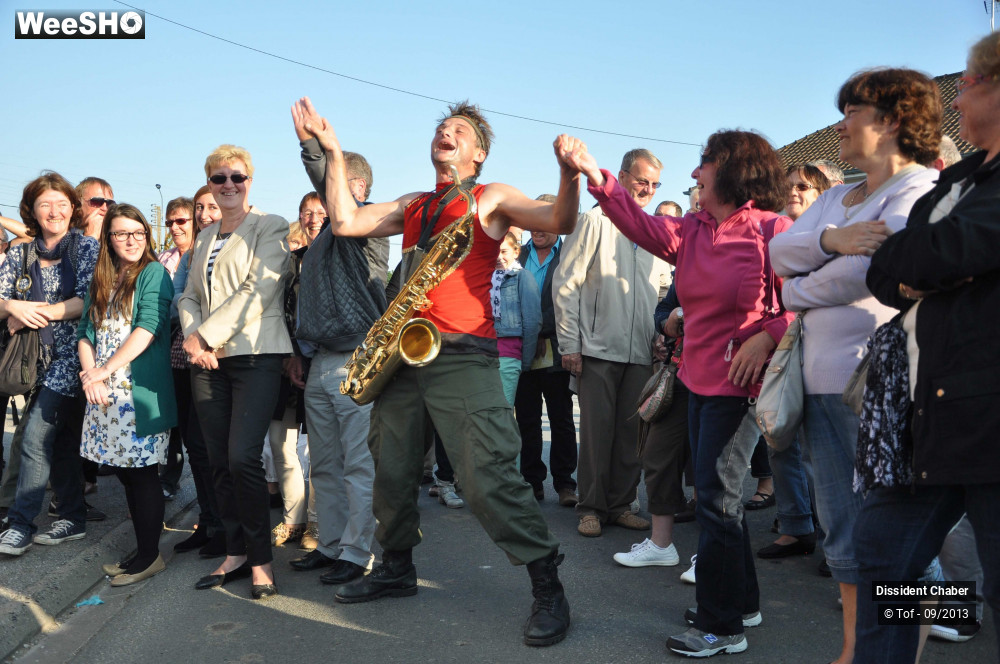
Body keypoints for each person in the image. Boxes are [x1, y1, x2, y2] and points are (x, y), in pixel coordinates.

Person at [292, 95, 581, 647]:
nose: (445, 133)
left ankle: (547, 584)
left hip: (464, 353)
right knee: (393, 469)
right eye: (441, 127)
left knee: (484, 474)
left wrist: (568, 177)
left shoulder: (490, 197)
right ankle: (396, 567)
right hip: (404, 354)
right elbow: (347, 221)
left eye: (459, 130)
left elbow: (559, 219)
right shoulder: (415, 202)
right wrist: (328, 151)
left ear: (477, 156)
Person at [563, 129, 793, 657]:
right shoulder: (691, 229)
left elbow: (804, 302)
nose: (694, 174)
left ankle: (721, 625)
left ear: (734, 171)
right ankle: (742, 605)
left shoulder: (773, 230)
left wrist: (767, 334)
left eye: (704, 164)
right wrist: (595, 174)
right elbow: (637, 222)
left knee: (716, 502)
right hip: (694, 381)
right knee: (718, 501)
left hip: (740, 389)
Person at [769, 68, 942, 664]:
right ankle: (853, 653)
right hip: (819, 384)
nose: (841, 125)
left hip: (878, 386)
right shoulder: (835, 199)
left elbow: (868, 273)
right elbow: (779, 251)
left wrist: (798, 287)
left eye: (853, 112)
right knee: (844, 532)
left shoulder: (918, 189)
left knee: (901, 535)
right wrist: (836, 240)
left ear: (891, 120)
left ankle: (930, 634)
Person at [856, 35, 1000, 662]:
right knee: (886, 558)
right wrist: (935, 263)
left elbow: (945, 250)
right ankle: (953, 617)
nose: (959, 93)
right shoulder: (958, 181)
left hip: (990, 419)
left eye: (967, 81)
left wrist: (933, 261)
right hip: (928, 415)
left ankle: (965, 614)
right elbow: (887, 270)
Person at [179, 145, 293, 600]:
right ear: (209, 183)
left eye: (237, 178)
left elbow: (259, 289)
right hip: (207, 362)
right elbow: (188, 295)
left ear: (250, 181)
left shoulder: (272, 226)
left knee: (244, 457)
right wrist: (195, 338)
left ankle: (262, 559)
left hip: (255, 355)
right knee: (216, 460)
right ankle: (236, 550)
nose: (228, 185)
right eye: (219, 178)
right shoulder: (204, 237)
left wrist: (206, 335)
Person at [286, 112, 388, 584]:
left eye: (336, 184)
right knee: (324, 464)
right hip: (323, 359)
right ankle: (329, 544)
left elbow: (326, 181)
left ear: (357, 187)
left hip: (357, 359)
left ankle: (356, 551)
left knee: (357, 465)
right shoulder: (323, 238)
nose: (326, 199)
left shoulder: (364, 228)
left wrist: (319, 150)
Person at [553, 148, 670, 538]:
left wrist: (658, 336)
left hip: (640, 351)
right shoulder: (594, 221)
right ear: (620, 177)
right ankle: (591, 507)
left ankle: (620, 505)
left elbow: (662, 292)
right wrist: (570, 343)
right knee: (597, 434)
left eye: (655, 185)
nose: (648, 191)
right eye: (641, 182)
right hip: (596, 348)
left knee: (630, 435)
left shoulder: (655, 230)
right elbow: (565, 284)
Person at [0, 172, 99, 556]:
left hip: (74, 358)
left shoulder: (85, 248)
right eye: (45, 204)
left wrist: (34, 311)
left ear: (73, 208)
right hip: (30, 359)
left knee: (36, 436)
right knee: (60, 442)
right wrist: (11, 306)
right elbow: (2, 298)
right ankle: (73, 517)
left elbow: (86, 300)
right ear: (32, 211)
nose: (54, 211)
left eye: (61, 203)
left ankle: (20, 524)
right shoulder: (20, 253)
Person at [77, 203, 176, 585]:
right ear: (109, 239)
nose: (131, 240)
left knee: (143, 474)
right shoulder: (103, 277)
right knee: (123, 472)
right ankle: (142, 550)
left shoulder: (153, 273)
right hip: (102, 391)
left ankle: (150, 556)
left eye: (138, 233)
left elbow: (147, 327)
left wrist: (103, 371)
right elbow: (86, 330)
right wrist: (91, 376)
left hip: (137, 392)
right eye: (121, 233)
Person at [754, 163, 833, 558]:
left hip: (827, 355)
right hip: (783, 352)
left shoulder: (834, 235)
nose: (793, 192)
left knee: (821, 452)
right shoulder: (773, 233)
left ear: (825, 193)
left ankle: (832, 544)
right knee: (779, 440)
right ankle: (795, 526)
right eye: (788, 186)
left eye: (804, 186)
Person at [169, 185, 225, 558]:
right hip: (185, 358)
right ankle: (208, 522)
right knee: (195, 447)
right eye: (199, 207)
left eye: (211, 207)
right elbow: (175, 301)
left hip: (221, 358)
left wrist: (203, 324)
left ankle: (226, 527)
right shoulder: (190, 255)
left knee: (217, 451)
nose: (205, 214)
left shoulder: (235, 246)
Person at [515, 196, 578, 507]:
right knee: (526, 419)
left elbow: (571, 301)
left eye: (545, 219)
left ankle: (566, 484)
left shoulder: (571, 254)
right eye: (534, 220)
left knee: (561, 418)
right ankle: (532, 482)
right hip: (522, 350)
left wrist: (541, 330)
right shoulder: (516, 254)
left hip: (558, 348)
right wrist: (529, 333)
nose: (537, 228)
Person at [157, 197, 195, 501]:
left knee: (195, 428)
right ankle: (168, 477)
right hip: (167, 351)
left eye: (181, 221)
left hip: (197, 350)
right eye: (170, 222)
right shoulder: (162, 260)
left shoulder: (203, 255)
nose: (174, 227)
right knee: (170, 419)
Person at [492, 231, 540, 405]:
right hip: (483, 353)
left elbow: (532, 321)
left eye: (504, 251)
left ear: (516, 252)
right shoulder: (484, 277)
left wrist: (525, 361)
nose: (499, 257)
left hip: (508, 355)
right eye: (495, 251)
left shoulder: (522, 277)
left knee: (502, 411)